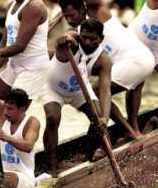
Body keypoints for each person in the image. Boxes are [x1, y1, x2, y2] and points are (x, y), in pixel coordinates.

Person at [34, 0, 154, 139]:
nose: (69, 20)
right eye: (65, 16)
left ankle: (130, 132)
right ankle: (133, 128)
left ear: (82, 9)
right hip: (140, 60)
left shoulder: (97, 11)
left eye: (72, 15)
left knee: (97, 93)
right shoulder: (78, 33)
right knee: (128, 88)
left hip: (135, 59)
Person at [41, 22, 113, 175]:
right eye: (84, 37)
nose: (87, 42)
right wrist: (64, 40)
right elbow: (65, 37)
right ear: (80, 34)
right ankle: (51, 167)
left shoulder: (104, 60)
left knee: (98, 119)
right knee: (53, 118)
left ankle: (86, 157)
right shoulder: (72, 42)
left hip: (80, 90)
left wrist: (105, 119)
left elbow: (105, 91)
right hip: (53, 89)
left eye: (93, 39)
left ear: (101, 39)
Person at [0, 88, 39, 188]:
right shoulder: (3, 119)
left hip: (23, 178)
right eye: (5, 107)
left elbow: (28, 146)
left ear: (22, 109)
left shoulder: (32, 122)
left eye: (10, 109)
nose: (5, 112)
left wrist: (6, 138)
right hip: (2, 173)